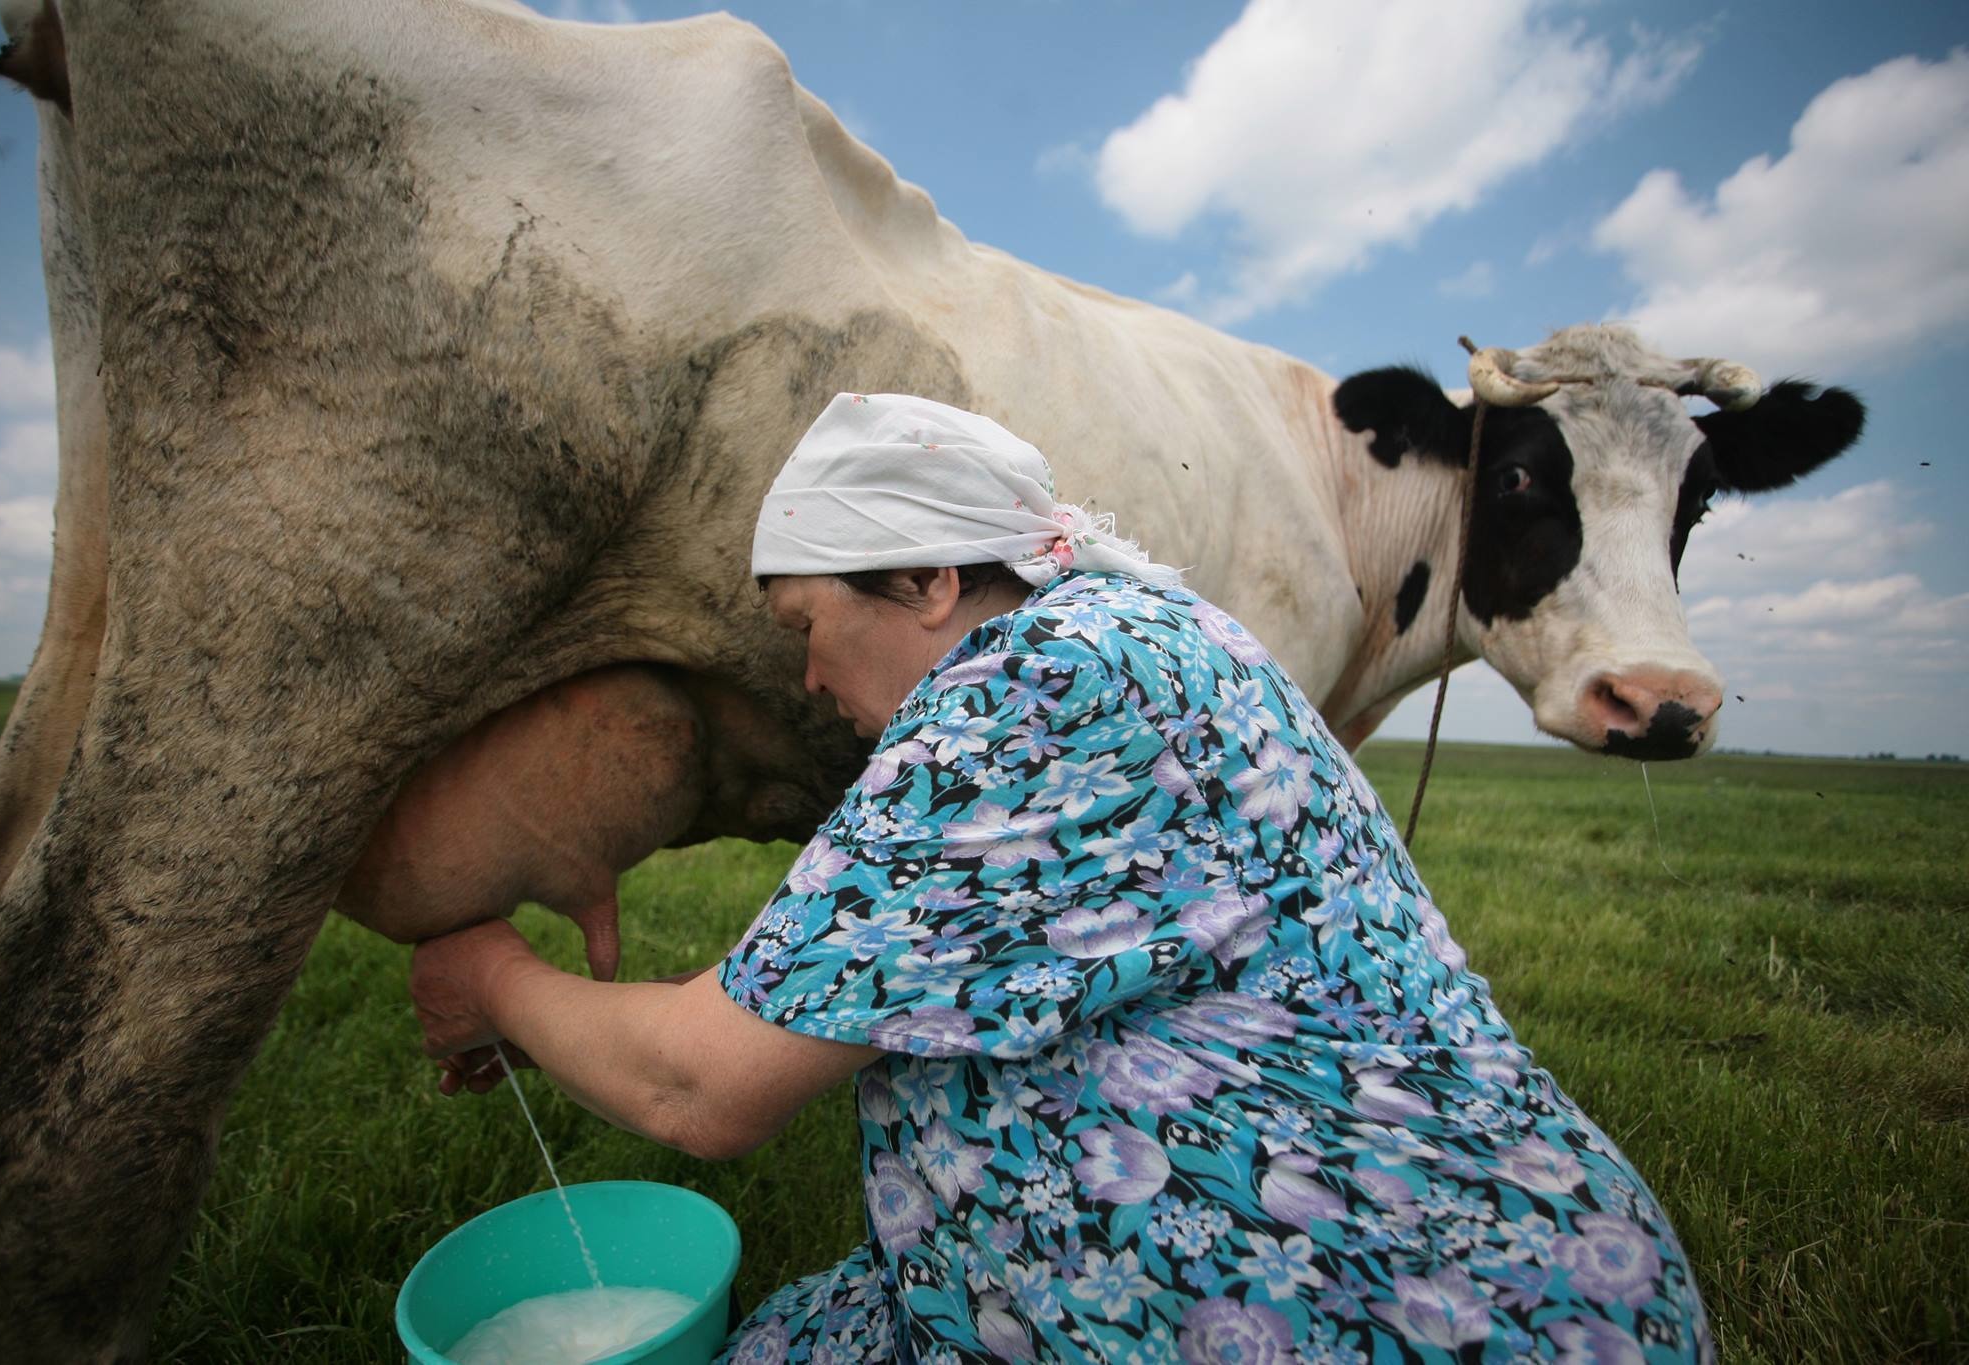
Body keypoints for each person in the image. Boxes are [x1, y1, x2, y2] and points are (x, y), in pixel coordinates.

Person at [409, 392, 1709, 1363]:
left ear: (925, 577)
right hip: (1519, 1273)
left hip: (1388, 1313)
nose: (808, 678)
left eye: (809, 625)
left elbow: (700, 1082)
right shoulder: (1149, 629)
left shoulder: (1029, 693)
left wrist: (495, 978)